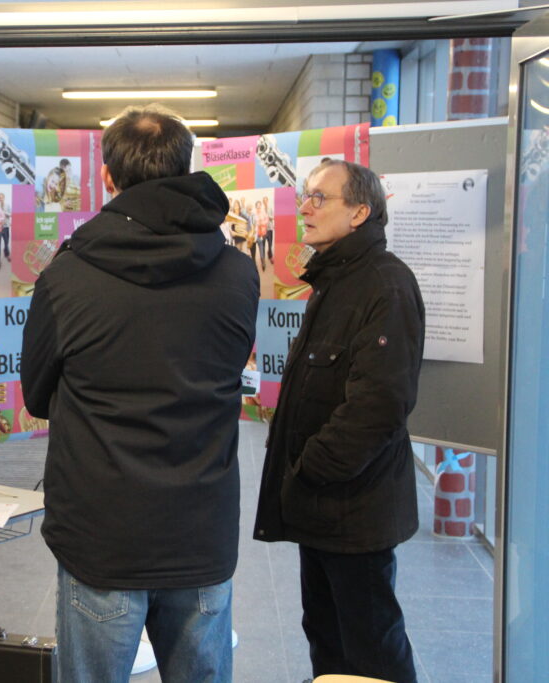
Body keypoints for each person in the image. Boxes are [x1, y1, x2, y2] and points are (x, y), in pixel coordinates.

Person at [21, 104, 259, 683]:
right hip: (201, 529)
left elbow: (36, 395)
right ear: (187, 168)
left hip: (103, 534)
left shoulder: (66, 277)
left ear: (108, 176)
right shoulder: (238, 274)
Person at [254, 159, 425, 683]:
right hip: (323, 508)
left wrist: (311, 468)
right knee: (328, 641)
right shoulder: (335, 280)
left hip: (354, 510)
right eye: (305, 196)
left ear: (359, 212)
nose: (305, 207)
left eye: (319, 198)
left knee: (371, 653)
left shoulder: (385, 284)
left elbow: (378, 406)